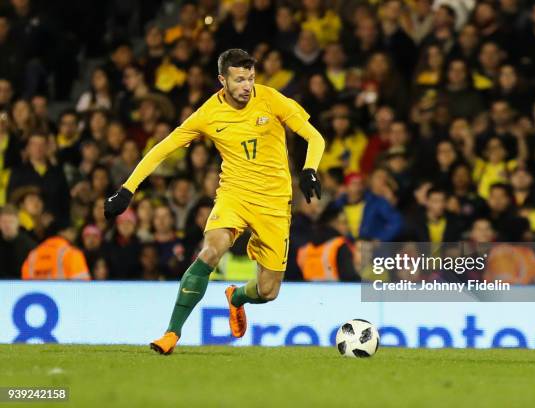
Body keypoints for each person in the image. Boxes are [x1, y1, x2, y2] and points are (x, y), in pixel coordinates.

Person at [103, 49, 325, 355]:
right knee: (210, 251)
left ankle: (236, 298)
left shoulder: (271, 99)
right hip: (234, 196)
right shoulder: (208, 114)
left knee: (268, 291)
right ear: (222, 80)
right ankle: (171, 333)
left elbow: (315, 138)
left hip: (274, 204)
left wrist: (309, 169)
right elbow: (163, 148)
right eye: (239, 80)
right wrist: (127, 189)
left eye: (250, 78)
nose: (247, 86)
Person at [21, 221, 91, 280]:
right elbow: (82, 287)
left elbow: (25, 282)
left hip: (37, 296)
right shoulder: (72, 253)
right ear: (62, 232)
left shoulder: (33, 254)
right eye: (72, 231)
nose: (75, 235)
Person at [0, 204, 36, 279]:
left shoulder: (29, 245)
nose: (7, 225)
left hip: (21, 284)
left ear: (18, 223)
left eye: (11, 221)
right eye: (4, 221)